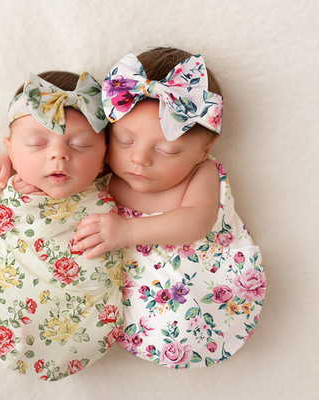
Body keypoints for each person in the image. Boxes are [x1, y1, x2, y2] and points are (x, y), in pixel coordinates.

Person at [73, 47, 266, 368]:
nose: (139, 159)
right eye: (124, 140)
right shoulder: (103, 167)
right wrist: (10, 163)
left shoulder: (201, 173)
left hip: (206, 293)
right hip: (133, 307)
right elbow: (60, 162)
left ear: (205, 148)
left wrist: (128, 231)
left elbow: (196, 221)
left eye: (167, 150)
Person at [0, 70, 123, 382]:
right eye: (37, 143)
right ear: (11, 150)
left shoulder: (118, 186)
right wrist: (8, 163)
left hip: (87, 321)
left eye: (80, 144)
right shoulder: (16, 186)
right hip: (9, 312)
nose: (58, 154)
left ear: (105, 158)